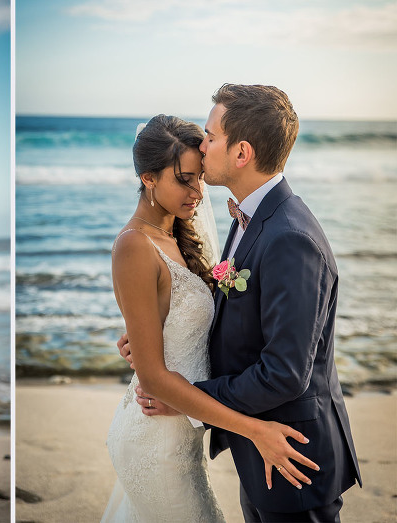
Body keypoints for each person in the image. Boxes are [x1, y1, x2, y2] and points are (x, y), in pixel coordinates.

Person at [120, 85, 361, 522]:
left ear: (241, 152)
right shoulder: (250, 218)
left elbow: (284, 373)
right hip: (259, 450)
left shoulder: (289, 237)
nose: (202, 145)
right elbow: (235, 314)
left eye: (211, 136)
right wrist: (159, 329)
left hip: (290, 454)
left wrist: (189, 396)